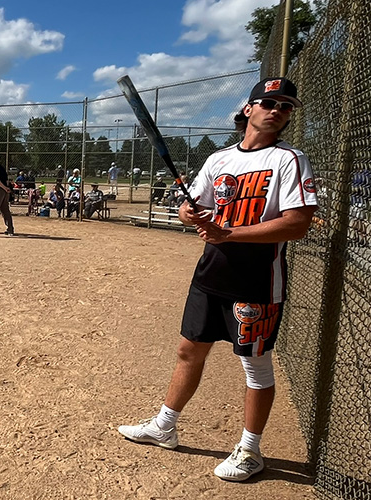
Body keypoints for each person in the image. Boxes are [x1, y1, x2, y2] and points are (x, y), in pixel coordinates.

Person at [117, 77, 318, 482]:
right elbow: (191, 210)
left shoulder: (289, 159)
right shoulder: (219, 159)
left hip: (257, 280)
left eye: (286, 106)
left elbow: (297, 223)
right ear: (249, 109)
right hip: (210, 274)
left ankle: (250, 451)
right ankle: (165, 427)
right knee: (189, 351)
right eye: (269, 103)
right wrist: (189, 213)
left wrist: (229, 233)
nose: (277, 110)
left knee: (254, 366)